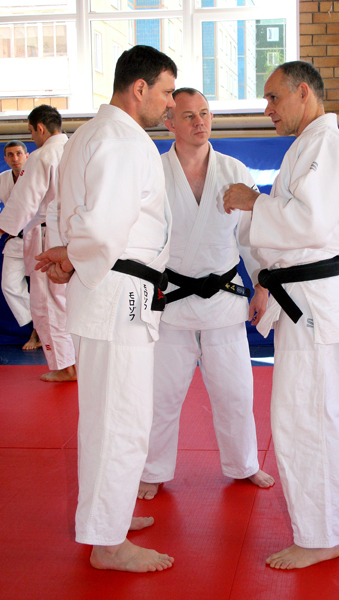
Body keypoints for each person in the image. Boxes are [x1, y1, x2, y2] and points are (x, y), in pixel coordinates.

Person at [35, 45, 176, 573]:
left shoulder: (90, 134)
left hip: (110, 291)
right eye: (165, 92)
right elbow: (101, 227)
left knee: (107, 416)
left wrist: (70, 258)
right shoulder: (123, 140)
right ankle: (108, 543)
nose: (169, 104)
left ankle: (106, 518)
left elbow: (74, 217)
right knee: (122, 418)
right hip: (121, 296)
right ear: (139, 88)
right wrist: (73, 258)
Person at [223, 61, 339, 570]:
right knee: (331, 408)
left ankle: (320, 535)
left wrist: (253, 201)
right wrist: (265, 278)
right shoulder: (310, 146)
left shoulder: (325, 145)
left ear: (303, 92)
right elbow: (297, 232)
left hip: (312, 303)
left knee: (306, 415)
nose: (268, 109)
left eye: (273, 97)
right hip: (308, 298)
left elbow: (310, 223)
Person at [138, 88, 274, 501]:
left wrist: (262, 284)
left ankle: (244, 464)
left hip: (224, 301)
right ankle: (153, 469)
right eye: (189, 115)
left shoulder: (233, 170)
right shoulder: (153, 171)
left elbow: (252, 236)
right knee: (161, 395)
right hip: (171, 300)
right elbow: (141, 237)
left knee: (236, 392)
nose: (200, 122)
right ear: (169, 123)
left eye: (205, 113)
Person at [0, 107, 76, 381]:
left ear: (40, 128)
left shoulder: (43, 155)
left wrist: (2, 228)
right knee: (69, 301)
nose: (32, 138)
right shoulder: (77, 149)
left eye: (31, 132)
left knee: (47, 302)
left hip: (48, 237)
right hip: (75, 236)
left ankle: (66, 367)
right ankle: (77, 362)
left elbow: (24, 202)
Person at [0, 141, 41, 350]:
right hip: (15, 239)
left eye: (18, 153)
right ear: (5, 159)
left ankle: (39, 333)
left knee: (42, 290)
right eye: (10, 155)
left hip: (39, 237)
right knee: (9, 285)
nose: (15, 158)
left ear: (27, 156)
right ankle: (37, 325)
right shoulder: (2, 179)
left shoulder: (37, 176)